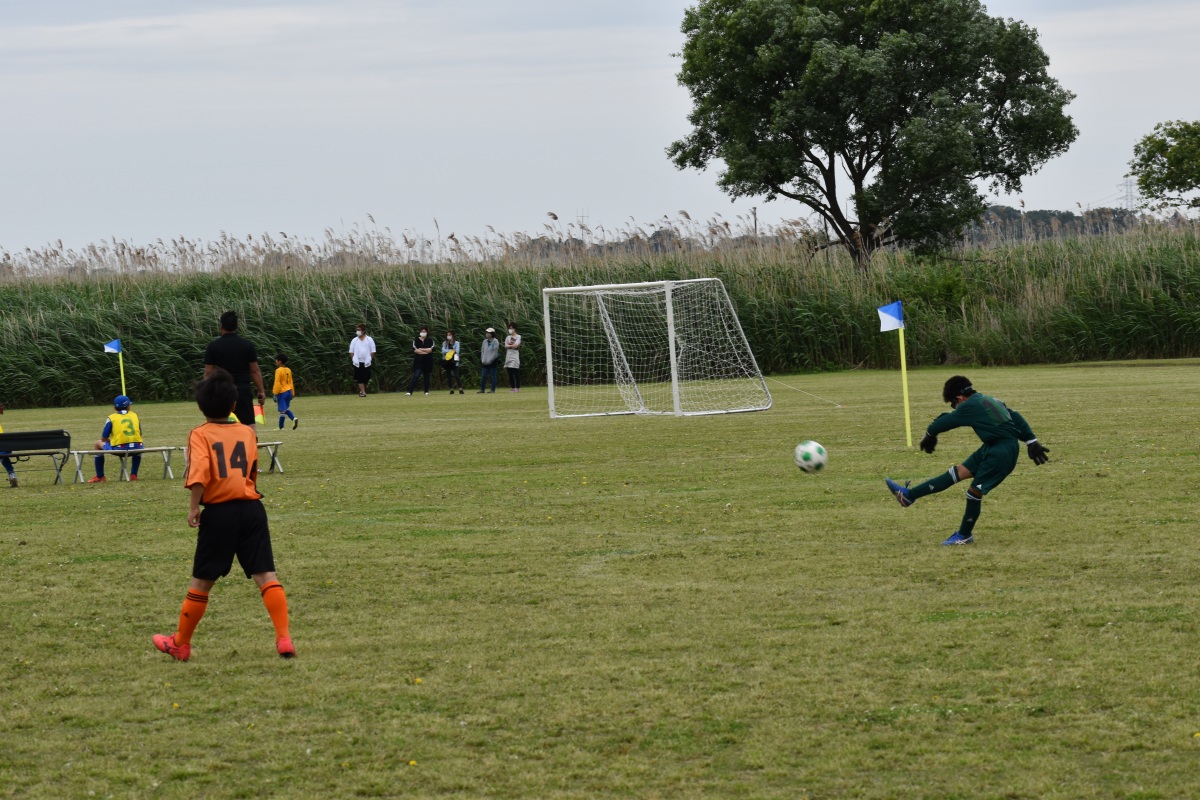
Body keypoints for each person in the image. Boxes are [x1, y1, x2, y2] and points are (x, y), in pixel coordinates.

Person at [152, 368, 294, 662]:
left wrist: (194, 506)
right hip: (252, 509)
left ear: (201, 407)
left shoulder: (200, 434)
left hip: (219, 512)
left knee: (202, 581)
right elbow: (251, 471)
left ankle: (181, 644)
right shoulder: (247, 432)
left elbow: (199, 473)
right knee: (266, 575)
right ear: (234, 405)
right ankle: (284, 638)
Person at [885, 375, 1050, 546]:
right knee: (957, 472)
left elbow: (945, 422)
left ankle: (964, 535)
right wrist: (1031, 440)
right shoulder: (989, 399)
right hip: (992, 446)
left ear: (959, 398)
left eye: (953, 404)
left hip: (1001, 453)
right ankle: (908, 496)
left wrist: (929, 435)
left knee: (974, 492)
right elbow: (1015, 416)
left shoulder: (968, 405)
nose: (955, 408)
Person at [203, 310, 267, 425]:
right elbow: (254, 370)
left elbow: (208, 372)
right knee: (248, 425)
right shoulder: (247, 345)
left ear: (221, 326)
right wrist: (261, 391)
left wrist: (207, 391)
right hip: (242, 391)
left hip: (222, 391)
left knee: (221, 424)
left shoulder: (213, 346)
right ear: (236, 326)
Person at [88, 395, 143, 483]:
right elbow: (139, 434)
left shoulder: (111, 418)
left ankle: (100, 476)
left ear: (114, 408)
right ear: (128, 406)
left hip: (120, 449)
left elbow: (104, 438)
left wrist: (112, 440)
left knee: (98, 443)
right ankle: (134, 474)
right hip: (138, 448)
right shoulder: (134, 415)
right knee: (138, 444)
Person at [349, 324, 377, 397]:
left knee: (366, 377)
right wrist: (353, 359)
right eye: (357, 330)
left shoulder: (369, 339)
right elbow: (351, 351)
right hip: (357, 362)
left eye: (359, 330)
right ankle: (363, 392)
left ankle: (362, 390)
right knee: (359, 377)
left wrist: (370, 358)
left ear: (363, 331)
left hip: (367, 362)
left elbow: (373, 350)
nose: (357, 331)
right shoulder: (354, 340)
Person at [272, 353, 299, 430]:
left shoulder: (278, 370)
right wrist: (292, 392)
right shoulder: (288, 370)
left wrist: (275, 393)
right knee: (285, 409)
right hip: (289, 391)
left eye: (276, 360)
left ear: (280, 361)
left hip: (282, 392)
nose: (275, 361)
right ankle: (293, 419)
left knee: (282, 410)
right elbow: (291, 381)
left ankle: (281, 427)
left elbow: (277, 382)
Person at [406, 326, 434, 396]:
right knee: (416, 376)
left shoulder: (430, 340)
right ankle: (410, 391)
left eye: (424, 331)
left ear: (427, 332)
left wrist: (421, 349)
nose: (423, 332)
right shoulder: (416, 340)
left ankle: (426, 391)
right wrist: (425, 351)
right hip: (418, 362)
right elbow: (415, 350)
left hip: (428, 361)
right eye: (422, 331)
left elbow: (431, 350)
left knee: (427, 377)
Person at [441, 330, 464, 395]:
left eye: (450, 335)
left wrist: (449, 351)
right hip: (447, 361)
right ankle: (451, 389)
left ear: (453, 335)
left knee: (457, 375)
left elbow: (457, 351)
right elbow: (443, 351)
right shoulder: (445, 343)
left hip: (454, 361)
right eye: (447, 335)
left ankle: (460, 388)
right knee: (448, 376)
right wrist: (451, 350)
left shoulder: (456, 343)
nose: (448, 336)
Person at [478, 327, 500, 393]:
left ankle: (492, 389)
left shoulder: (495, 341)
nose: (487, 334)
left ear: (492, 334)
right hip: (485, 361)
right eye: (487, 333)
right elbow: (482, 351)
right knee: (483, 375)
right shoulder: (484, 341)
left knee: (493, 375)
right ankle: (482, 389)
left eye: (489, 333)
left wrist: (490, 360)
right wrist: (482, 359)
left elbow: (495, 352)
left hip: (493, 361)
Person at [0, 403, 16, 488]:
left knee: (2, 454)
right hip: (6, 447)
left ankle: (12, 474)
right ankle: (12, 474)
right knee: (3, 454)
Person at [504, 322, 522, 392]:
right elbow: (506, 346)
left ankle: (517, 387)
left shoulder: (518, 336)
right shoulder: (508, 337)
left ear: (515, 329)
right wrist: (511, 346)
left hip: (515, 355)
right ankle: (512, 387)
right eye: (509, 328)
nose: (510, 330)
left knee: (516, 371)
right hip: (509, 355)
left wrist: (510, 345)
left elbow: (516, 345)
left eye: (511, 328)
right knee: (510, 372)